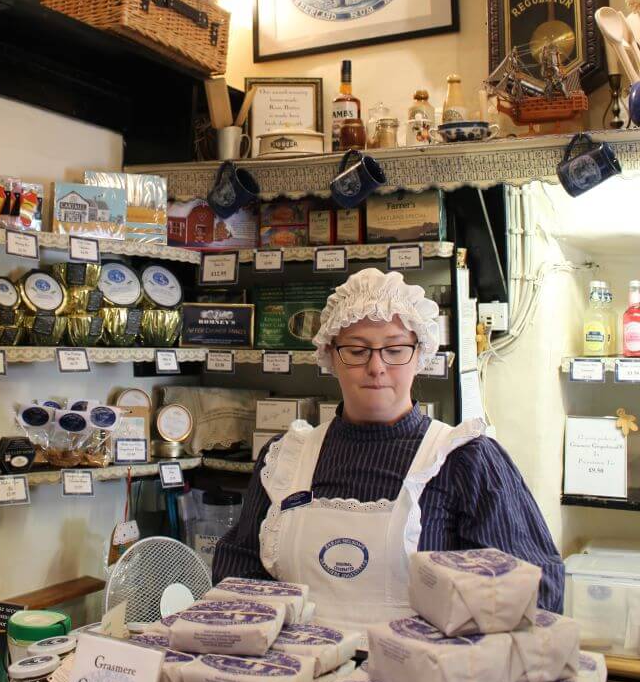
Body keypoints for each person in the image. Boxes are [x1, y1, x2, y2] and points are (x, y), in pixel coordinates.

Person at [213, 268, 564, 630]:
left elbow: (537, 592)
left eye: (395, 349)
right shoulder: (287, 456)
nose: (376, 367)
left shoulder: (466, 460)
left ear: (421, 354)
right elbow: (240, 574)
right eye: (356, 350)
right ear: (330, 356)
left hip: (418, 681)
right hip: (299, 675)